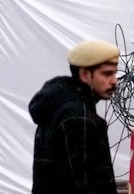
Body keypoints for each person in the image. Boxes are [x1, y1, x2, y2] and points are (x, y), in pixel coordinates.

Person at [29, 40, 119, 194]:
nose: (114, 81)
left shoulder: (61, 104)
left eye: (114, 73)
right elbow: (79, 183)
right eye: (106, 74)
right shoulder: (77, 115)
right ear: (84, 75)